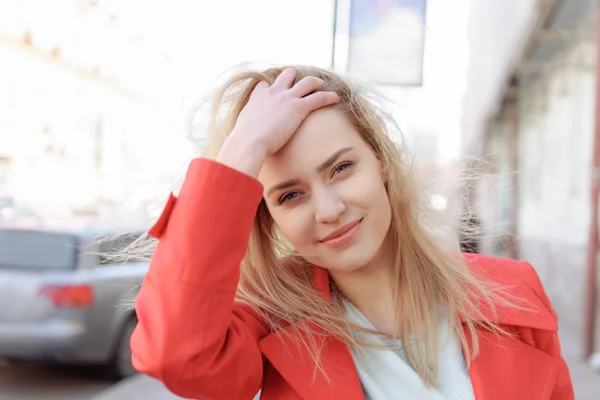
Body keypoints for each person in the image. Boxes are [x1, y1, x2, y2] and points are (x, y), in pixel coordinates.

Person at [130, 66, 574, 400]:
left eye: (341, 168)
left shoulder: (513, 290)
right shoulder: (270, 325)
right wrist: (242, 150)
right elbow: (174, 353)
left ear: (380, 159)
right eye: (290, 196)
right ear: (268, 217)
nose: (329, 209)